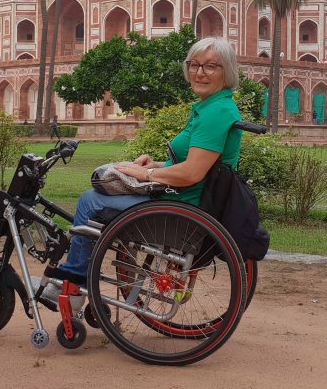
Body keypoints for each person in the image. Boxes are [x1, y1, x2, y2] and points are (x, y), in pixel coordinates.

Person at [42, 37, 243, 289]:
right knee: (107, 185)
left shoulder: (217, 112)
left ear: (227, 71)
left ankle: (74, 279)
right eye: (194, 65)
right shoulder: (211, 106)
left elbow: (192, 173)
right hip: (181, 199)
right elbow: (197, 163)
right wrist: (157, 165)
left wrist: (146, 174)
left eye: (211, 66)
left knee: (90, 201)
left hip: (180, 209)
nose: (200, 73)